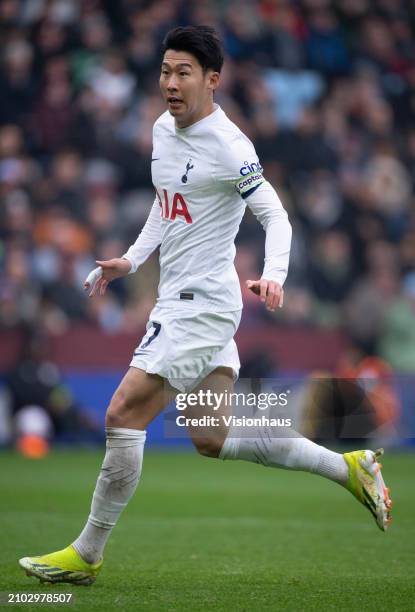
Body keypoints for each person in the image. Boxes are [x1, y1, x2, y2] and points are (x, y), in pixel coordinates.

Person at [19, 26, 392, 586]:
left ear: (212, 79)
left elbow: (276, 216)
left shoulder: (231, 146)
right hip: (185, 300)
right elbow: (167, 206)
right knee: (211, 436)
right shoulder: (161, 131)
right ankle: (348, 467)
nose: (170, 82)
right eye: (166, 71)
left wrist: (274, 275)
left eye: (183, 72)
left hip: (204, 307)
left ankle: (87, 552)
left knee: (123, 413)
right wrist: (131, 258)